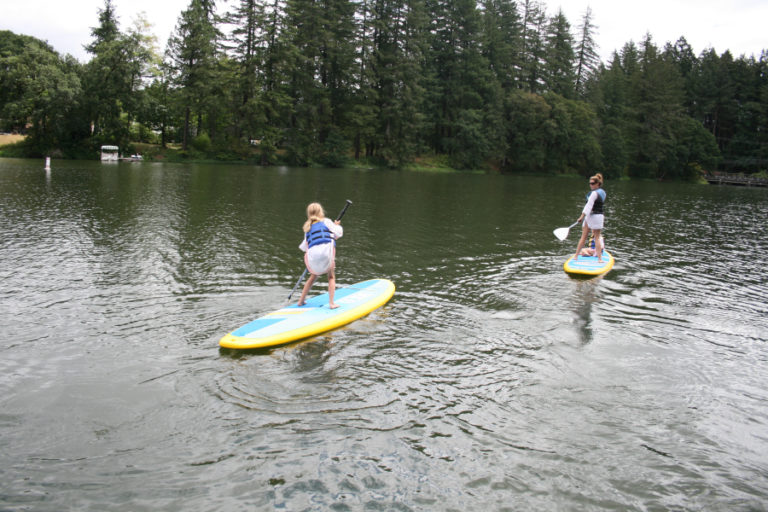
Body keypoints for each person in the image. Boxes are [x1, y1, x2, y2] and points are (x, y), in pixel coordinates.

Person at [297, 202, 343, 308]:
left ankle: (301, 301)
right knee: (331, 277)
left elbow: (304, 247)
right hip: (326, 254)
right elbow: (339, 234)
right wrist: (336, 226)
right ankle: (332, 303)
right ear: (321, 211)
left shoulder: (307, 228)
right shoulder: (326, 221)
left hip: (313, 257)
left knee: (313, 276)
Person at [573, 173, 606, 262]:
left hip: (593, 217)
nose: (590, 185)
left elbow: (589, 205)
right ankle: (599, 259)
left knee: (588, 237)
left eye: (592, 183)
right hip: (598, 216)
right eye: (590, 183)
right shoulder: (603, 192)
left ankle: (576, 256)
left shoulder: (594, 193)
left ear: (597, 184)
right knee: (596, 237)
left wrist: (581, 217)